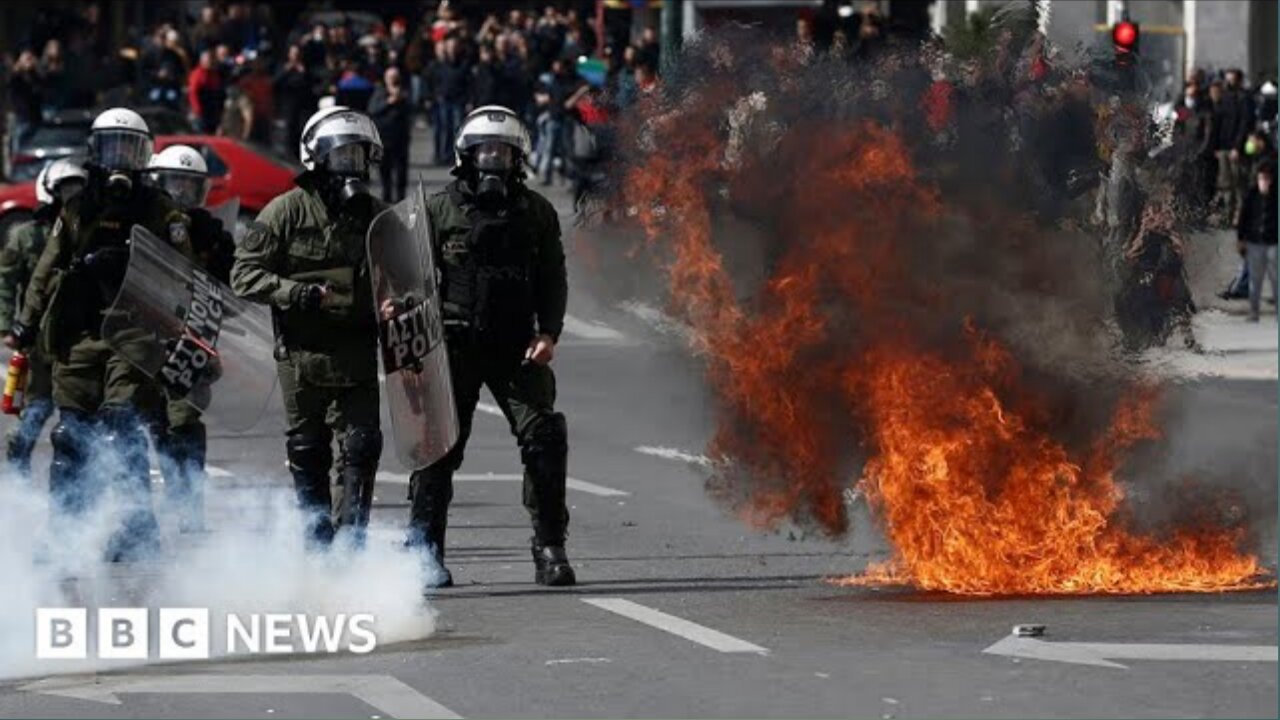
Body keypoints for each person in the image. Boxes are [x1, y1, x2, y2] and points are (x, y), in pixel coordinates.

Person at [12, 108, 193, 561]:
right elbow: (47, 267)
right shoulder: (77, 209)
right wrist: (26, 323)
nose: (120, 159)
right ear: (95, 151)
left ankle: (135, 531)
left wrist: (133, 261)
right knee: (71, 436)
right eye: (112, 147)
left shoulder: (160, 211)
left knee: (121, 427)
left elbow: (183, 274)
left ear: (145, 156)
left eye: (130, 149)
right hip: (79, 334)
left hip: (133, 335)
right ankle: (67, 534)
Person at [407, 106, 573, 589]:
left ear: (517, 157)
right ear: (467, 154)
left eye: (503, 152)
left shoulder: (537, 212)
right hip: (451, 347)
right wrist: (408, 327)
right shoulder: (438, 210)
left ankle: (549, 548)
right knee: (437, 448)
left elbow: (553, 278)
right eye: (485, 151)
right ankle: (423, 553)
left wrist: (549, 333)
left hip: (517, 346)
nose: (493, 160)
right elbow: (410, 275)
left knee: (544, 438)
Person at [231, 106, 386, 548]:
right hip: (301, 352)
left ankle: (351, 542)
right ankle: (316, 540)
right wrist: (295, 292)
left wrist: (394, 304)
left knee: (361, 445)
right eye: (341, 156)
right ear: (317, 158)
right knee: (308, 447)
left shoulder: (377, 215)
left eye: (358, 156)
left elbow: (404, 275)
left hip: (356, 349)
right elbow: (244, 276)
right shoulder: (284, 212)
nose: (349, 166)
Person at [146, 144, 235, 532]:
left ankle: (188, 506)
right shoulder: (143, 222)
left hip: (190, 340)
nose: (180, 193)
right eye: (173, 183)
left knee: (184, 421)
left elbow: (229, 291)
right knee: (150, 422)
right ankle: (141, 512)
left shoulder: (211, 234)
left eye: (189, 185)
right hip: (144, 339)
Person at [0, 159, 87, 479]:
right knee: (37, 405)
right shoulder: (26, 237)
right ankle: (17, 465)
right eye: (66, 189)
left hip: (81, 334)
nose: (72, 196)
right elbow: (6, 281)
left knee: (80, 408)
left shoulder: (86, 231)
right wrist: (8, 325)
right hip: (39, 336)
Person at [1237, 162, 1278, 322]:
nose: (1264, 182)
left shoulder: (1276, 196)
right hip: (1254, 243)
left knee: (1276, 279)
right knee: (1255, 280)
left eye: (1267, 179)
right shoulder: (1252, 195)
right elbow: (1243, 219)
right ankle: (1254, 312)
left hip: (1273, 242)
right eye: (1262, 178)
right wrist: (1241, 239)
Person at [369, 67, 412, 203]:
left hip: (400, 138)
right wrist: (388, 102)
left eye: (396, 77)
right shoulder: (380, 91)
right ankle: (386, 197)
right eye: (391, 77)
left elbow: (412, 109)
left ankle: (401, 198)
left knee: (401, 171)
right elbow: (372, 109)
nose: (393, 79)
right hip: (384, 137)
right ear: (386, 78)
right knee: (385, 170)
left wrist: (402, 99)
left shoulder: (405, 92)